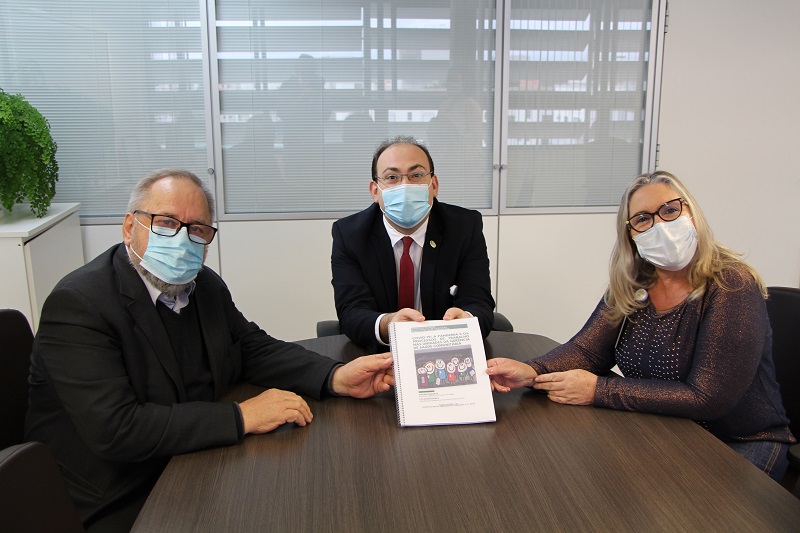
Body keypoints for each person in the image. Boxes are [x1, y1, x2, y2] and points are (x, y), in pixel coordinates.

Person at [24, 168, 395, 531]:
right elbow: (117, 428)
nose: (181, 239)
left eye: (197, 229)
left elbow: (251, 348)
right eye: (165, 223)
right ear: (129, 226)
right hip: (117, 494)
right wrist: (242, 416)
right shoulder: (79, 303)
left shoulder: (204, 285)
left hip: (191, 463)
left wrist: (335, 377)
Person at [486, 170, 795, 481]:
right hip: (663, 430)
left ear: (691, 212)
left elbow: (708, 398)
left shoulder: (731, 284)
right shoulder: (633, 285)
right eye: (643, 219)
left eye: (670, 210)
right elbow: (588, 351)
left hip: (738, 442)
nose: (660, 226)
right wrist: (531, 371)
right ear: (631, 234)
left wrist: (598, 390)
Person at [331, 136, 496, 353]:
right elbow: (351, 311)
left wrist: (466, 319)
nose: (405, 186)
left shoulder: (464, 227)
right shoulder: (350, 234)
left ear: (433, 185)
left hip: (446, 350)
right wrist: (388, 324)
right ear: (375, 191)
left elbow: (479, 301)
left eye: (416, 175)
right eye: (392, 177)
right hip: (379, 354)